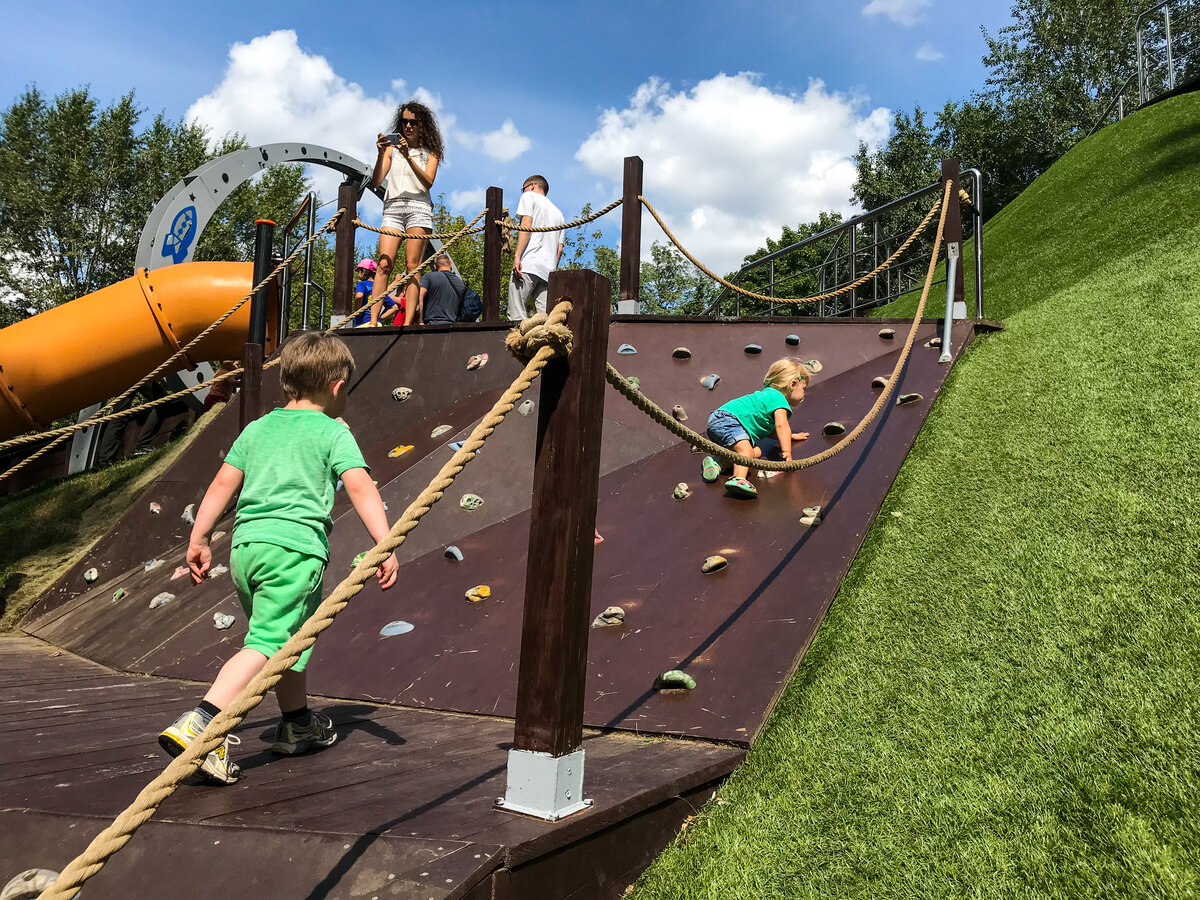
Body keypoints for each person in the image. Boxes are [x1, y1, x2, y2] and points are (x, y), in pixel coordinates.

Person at [157, 332, 399, 784]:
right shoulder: (332, 431)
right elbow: (360, 485)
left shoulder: (257, 428)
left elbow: (221, 485)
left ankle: (297, 724)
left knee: (286, 640)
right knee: (267, 644)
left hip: (247, 550)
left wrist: (200, 537)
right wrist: (385, 542)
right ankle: (201, 723)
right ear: (336, 387)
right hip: (294, 551)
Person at [370, 101, 443, 327]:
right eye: (404, 122)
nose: (408, 126)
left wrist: (408, 156)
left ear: (422, 125)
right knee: (383, 264)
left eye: (413, 122)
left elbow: (428, 182)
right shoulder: (392, 150)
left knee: (413, 266)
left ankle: (408, 322)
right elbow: (376, 180)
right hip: (392, 209)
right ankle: (373, 321)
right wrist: (381, 154)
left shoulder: (431, 152)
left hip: (418, 209)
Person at [703, 358, 811, 499]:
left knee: (756, 452)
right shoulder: (778, 399)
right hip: (727, 419)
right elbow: (781, 426)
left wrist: (790, 436)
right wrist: (786, 451)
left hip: (721, 422)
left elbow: (772, 430)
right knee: (745, 451)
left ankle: (717, 463)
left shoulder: (768, 396)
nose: (804, 393)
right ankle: (738, 480)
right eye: (804, 388)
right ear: (793, 384)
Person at [508, 175, 564, 322]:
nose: (523, 192)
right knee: (545, 320)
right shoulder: (559, 214)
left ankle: (518, 344)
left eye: (523, 189)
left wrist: (517, 256)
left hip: (529, 264)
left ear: (532, 186)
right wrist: (552, 271)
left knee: (516, 314)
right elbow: (559, 249)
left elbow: (526, 225)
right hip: (548, 272)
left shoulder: (529, 197)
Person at [418, 252, 467, 325]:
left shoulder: (428, 277)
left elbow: (419, 296)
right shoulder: (460, 282)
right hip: (452, 326)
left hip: (431, 324)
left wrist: (420, 320)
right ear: (450, 265)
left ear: (435, 267)